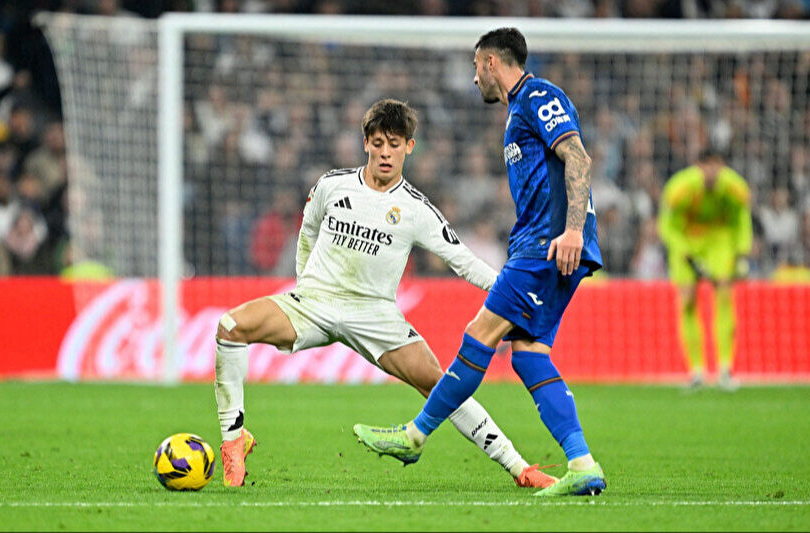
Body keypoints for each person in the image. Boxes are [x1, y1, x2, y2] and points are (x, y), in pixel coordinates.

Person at [213, 98, 556, 490]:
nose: (385, 152)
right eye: (378, 143)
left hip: (375, 316)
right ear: (366, 143)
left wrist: (512, 292)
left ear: (410, 146)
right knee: (230, 327)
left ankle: (520, 468)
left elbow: (463, 260)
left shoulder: (416, 210)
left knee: (443, 385)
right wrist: (305, 285)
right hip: (313, 303)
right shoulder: (332, 185)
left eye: (394, 144)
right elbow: (307, 232)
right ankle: (233, 441)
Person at [353, 28, 606, 497]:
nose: (474, 80)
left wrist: (571, 230)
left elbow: (578, 156)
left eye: (475, 68)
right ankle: (583, 464)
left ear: (491, 62)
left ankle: (414, 435)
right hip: (547, 245)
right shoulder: (519, 111)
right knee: (529, 356)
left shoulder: (537, 95)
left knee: (479, 335)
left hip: (546, 246)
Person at [658, 149, 752, 390]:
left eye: (716, 166)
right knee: (687, 300)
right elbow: (667, 226)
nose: (712, 172)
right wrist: (685, 253)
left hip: (719, 240)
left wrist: (741, 252)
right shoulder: (679, 188)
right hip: (686, 240)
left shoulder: (734, 187)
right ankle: (697, 371)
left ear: (722, 167)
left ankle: (725, 369)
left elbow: (741, 220)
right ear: (697, 166)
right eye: (707, 166)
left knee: (724, 293)